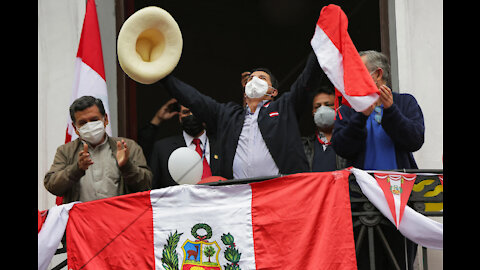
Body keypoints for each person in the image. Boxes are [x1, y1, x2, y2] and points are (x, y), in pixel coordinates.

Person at [160, 51, 324, 179]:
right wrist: (162, 76)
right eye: (251, 78)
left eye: (262, 78)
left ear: (273, 91)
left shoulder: (285, 107)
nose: (254, 80)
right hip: (241, 200)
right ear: (245, 92)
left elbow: (307, 80)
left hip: (281, 193)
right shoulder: (227, 115)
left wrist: (320, 44)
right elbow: (194, 99)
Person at [331, 50, 424, 270]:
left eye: (357, 72)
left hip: (400, 202)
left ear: (377, 74)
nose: (350, 78)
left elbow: (415, 140)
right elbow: (342, 147)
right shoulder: (348, 109)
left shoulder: (405, 102)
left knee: (399, 264)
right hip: (361, 203)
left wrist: (391, 110)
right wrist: (360, 116)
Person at [44, 96, 152, 203]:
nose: (89, 126)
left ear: (105, 120)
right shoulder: (66, 151)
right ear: (75, 128)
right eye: (83, 123)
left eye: (94, 120)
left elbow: (146, 185)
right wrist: (76, 169)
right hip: (82, 219)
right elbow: (52, 186)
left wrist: (126, 166)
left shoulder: (127, 146)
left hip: (119, 217)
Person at [149, 102, 217, 189]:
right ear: (180, 117)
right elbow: (153, 188)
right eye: (186, 112)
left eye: (196, 111)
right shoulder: (162, 149)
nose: (191, 116)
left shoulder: (221, 144)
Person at [302, 83, 346, 172]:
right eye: (317, 106)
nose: (322, 110)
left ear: (338, 108)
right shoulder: (304, 146)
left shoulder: (349, 141)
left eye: (328, 105)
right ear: (312, 112)